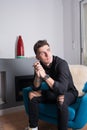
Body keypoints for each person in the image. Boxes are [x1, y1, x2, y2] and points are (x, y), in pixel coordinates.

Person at [27, 40, 78, 130]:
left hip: (69, 92)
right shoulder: (40, 65)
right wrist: (38, 75)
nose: (48, 55)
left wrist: (45, 76)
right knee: (31, 94)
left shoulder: (61, 64)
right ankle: (33, 127)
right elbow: (36, 87)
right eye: (43, 53)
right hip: (53, 92)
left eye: (48, 50)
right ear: (37, 57)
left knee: (61, 99)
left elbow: (62, 89)